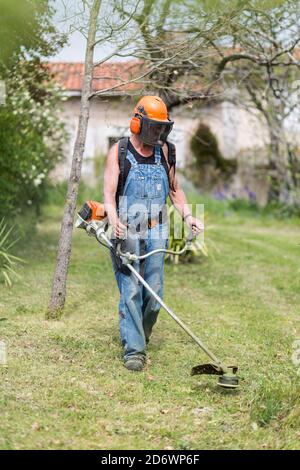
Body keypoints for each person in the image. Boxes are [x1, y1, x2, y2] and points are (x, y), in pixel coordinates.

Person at [104, 95, 203, 371]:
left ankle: (140, 333)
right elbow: (109, 195)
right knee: (132, 289)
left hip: (157, 228)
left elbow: (175, 190)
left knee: (155, 293)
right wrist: (113, 219)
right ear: (138, 123)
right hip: (128, 229)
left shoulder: (167, 152)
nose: (158, 133)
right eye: (153, 127)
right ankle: (134, 349)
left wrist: (188, 215)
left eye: (162, 128)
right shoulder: (119, 152)